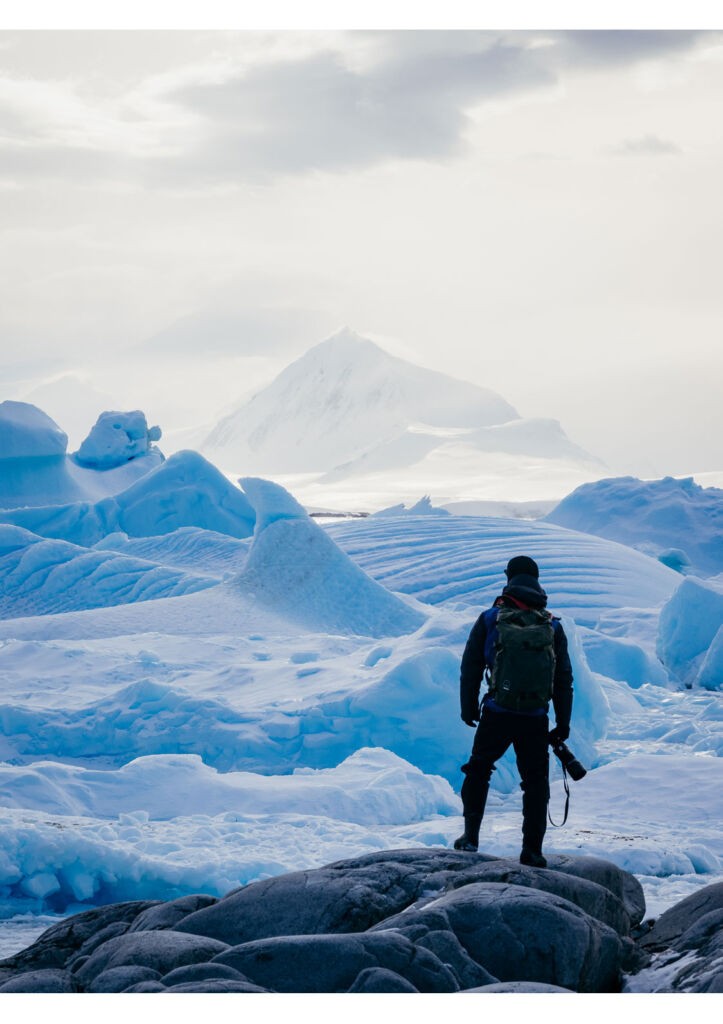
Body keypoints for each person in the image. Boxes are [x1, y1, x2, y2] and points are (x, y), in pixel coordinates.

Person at [453, 555, 573, 867]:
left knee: (479, 768)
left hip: (498, 712)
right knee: (535, 781)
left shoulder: (491, 618)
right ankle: (532, 851)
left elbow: (471, 667)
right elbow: (563, 679)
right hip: (535, 716)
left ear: (509, 578)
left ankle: (469, 839)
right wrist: (563, 722)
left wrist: (468, 707)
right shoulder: (551, 624)